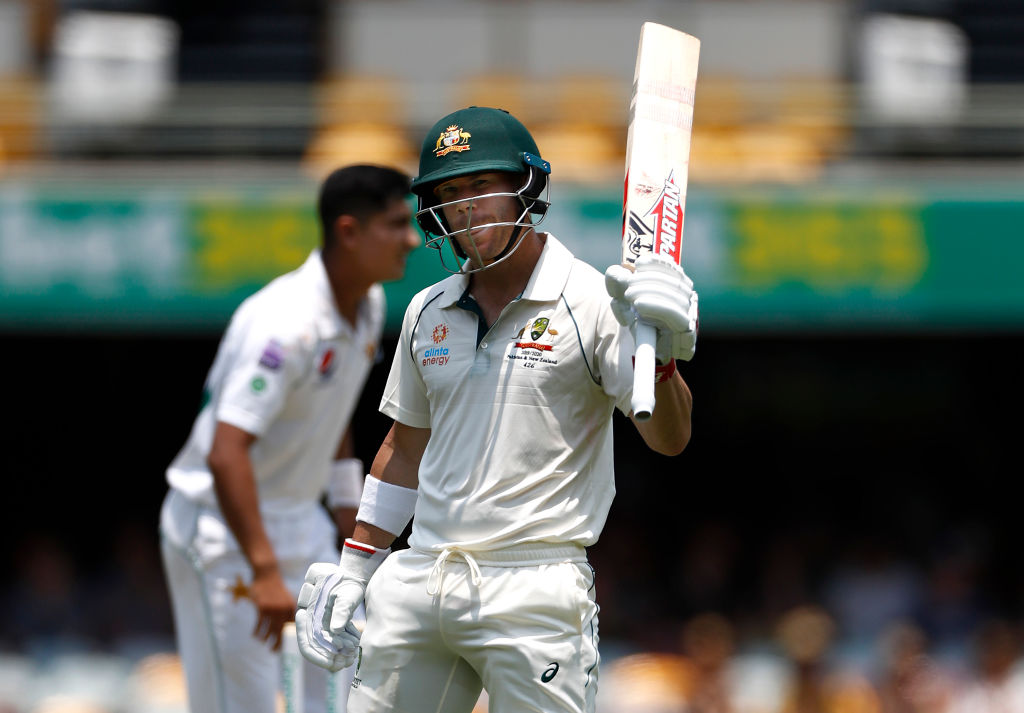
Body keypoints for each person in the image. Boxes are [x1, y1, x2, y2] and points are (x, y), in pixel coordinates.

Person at [295, 106, 699, 713]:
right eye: (450, 193)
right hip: (422, 573)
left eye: (481, 187)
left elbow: (670, 437)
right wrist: (357, 566)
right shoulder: (427, 309)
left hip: (534, 586)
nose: (464, 208)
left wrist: (662, 360)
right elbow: (405, 450)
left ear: (526, 188)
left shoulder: (594, 301)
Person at [159, 164, 420, 713]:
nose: (412, 239)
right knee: (241, 703)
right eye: (396, 225)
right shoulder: (284, 323)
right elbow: (225, 452)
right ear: (349, 231)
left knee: (336, 688)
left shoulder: (368, 306)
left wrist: (351, 516)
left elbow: (333, 412)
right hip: (220, 527)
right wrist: (264, 570)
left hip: (301, 521)